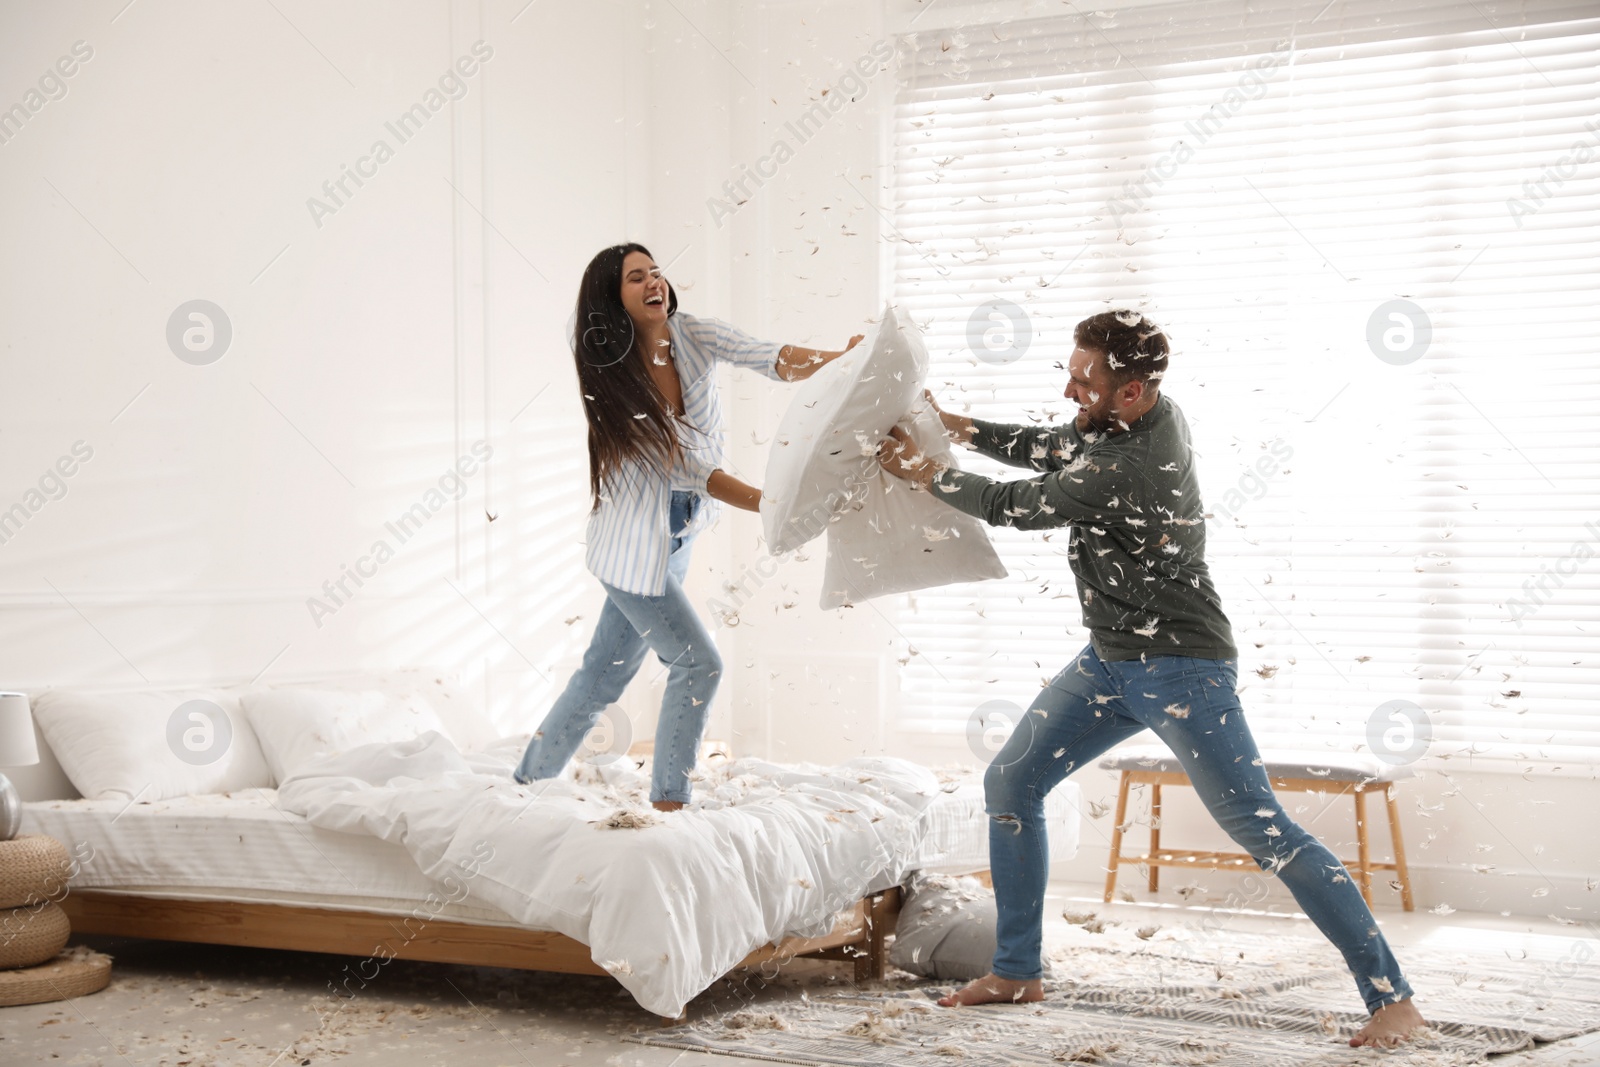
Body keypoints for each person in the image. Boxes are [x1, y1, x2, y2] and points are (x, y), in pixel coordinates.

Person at [877, 309, 1428, 1049]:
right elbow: (1049, 443)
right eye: (1073, 369)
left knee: (1266, 831)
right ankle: (1017, 970)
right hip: (1113, 657)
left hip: (1181, 665)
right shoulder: (1121, 423)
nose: (1071, 386)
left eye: (1086, 377)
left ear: (1131, 392)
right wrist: (958, 425)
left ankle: (1393, 998)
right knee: (1011, 782)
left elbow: (1020, 504)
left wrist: (924, 470)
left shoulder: (1128, 463)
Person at [515, 242, 860, 812]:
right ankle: (670, 803)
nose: (654, 282)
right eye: (635, 278)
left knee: (600, 677)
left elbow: (768, 356)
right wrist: (778, 504)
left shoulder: (693, 333)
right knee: (699, 663)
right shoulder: (615, 386)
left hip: (677, 534)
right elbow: (695, 471)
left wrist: (842, 362)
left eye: (655, 271)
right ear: (612, 299)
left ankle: (527, 784)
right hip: (630, 549)